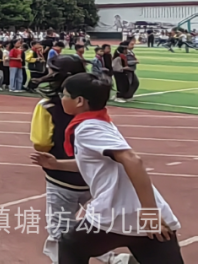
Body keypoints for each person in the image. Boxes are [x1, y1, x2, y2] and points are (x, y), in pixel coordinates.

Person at [30, 73, 183, 264]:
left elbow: (133, 160)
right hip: (144, 213)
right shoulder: (101, 122)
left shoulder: (88, 128)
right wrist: (56, 164)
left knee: (70, 244)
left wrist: (150, 211)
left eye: (65, 94)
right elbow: (97, 164)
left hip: (116, 211)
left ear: (79, 101)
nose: (62, 98)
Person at [29, 56, 125, 264]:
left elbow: (41, 143)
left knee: (59, 229)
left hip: (61, 179)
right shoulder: (95, 107)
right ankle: (112, 258)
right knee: (94, 223)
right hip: (93, 178)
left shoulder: (48, 106)